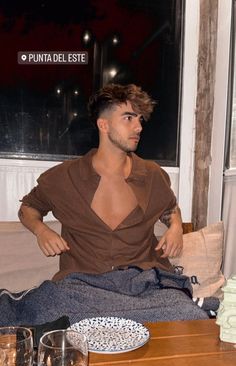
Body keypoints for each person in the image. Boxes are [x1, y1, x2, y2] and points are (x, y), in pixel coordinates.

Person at [0, 84, 209, 326]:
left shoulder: (152, 175)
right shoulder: (64, 178)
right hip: (84, 286)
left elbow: (169, 209)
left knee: (188, 314)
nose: (138, 127)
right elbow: (28, 208)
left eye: (140, 119)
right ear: (104, 125)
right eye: (128, 118)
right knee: (52, 302)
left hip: (140, 283)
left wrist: (174, 227)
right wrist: (41, 231)